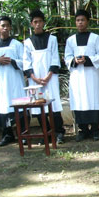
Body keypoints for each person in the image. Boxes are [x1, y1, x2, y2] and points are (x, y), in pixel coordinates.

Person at [64, 9, 99, 141]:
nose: (80, 23)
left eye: (82, 20)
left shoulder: (95, 38)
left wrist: (88, 59)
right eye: (78, 20)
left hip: (91, 75)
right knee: (79, 100)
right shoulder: (71, 40)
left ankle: (95, 129)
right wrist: (74, 60)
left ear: (87, 21)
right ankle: (83, 130)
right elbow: (67, 56)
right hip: (77, 76)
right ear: (75, 23)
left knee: (92, 99)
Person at [23, 9, 65, 144]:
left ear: (43, 23)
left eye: (40, 21)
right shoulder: (27, 42)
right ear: (31, 24)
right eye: (35, 22)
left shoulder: (52, 39)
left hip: (50, 78)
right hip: (35, 79)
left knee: (54, 105)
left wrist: (49, 75)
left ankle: (59, 132)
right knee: (39, 106)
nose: (38, 24)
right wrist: (34, 77)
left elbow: (54, 58)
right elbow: (26, 62)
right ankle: (46, 133)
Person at [0, 15, 26, 146]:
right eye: (3, 26)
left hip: (15, 81)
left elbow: (25, 61)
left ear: (11, 28)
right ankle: (7, 135)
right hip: (1, 81)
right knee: (4, 107)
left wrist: (12, 61)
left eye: (8, 26)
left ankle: (23, 134)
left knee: (19, 107)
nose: (5, 28)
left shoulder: (17, 45)